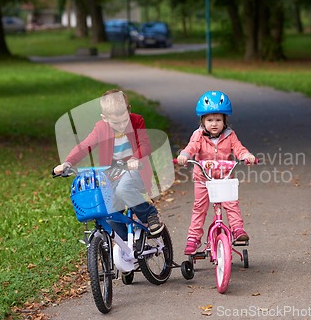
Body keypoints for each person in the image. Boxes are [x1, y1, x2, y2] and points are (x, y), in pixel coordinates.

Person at [53, 89, 164, 239]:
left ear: (128, 110)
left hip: (135, 169)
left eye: (125, 120)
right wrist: (67, 163)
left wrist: (135, 158)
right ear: (104, 118)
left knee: (123, 190)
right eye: (116, 122)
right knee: (107, 207)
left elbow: (145, 145)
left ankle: (150, 214)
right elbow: (85, 146)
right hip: (112, 173)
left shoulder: (137, 121)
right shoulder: (100, 128)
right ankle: (126, 243)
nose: (121, 125)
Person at [176, 91, 256, 255]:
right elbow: (191, 148)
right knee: (200, 208)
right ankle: (193, 238)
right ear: (203, 120)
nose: (214, 124)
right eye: (210, 120)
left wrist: (246, 156)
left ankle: (237, 230)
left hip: (224, 178)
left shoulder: (230, 135)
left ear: (225, 120)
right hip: (203, 179)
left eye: (218, 120)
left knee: (231, 204)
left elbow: (239, 149)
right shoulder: (198, 136)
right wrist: (184, 156)